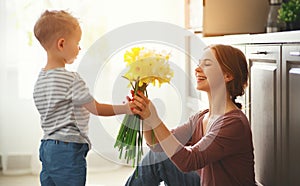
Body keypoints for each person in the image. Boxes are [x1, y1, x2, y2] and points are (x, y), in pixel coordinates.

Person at [126, 44, 256, 186]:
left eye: (207, 64)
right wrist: (144, 116)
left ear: (227, 76)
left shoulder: (233, 123)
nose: (197, 69)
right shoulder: (201, 118)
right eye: (199, 63)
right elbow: (157, 146)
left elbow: (188, 161)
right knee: (157, 157)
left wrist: (155, 119)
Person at [33, 10, 132, 186]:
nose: (80, 47)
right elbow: (96, 108)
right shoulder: (72, 79)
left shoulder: (40, 79)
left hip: (46, 147)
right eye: (77, 43)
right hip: (68, 149)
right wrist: (125, 108)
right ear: (62, 44)